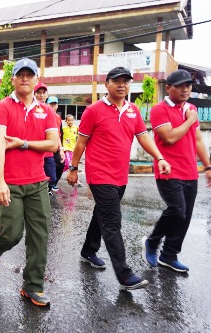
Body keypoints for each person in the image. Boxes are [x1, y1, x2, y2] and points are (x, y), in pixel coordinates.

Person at [66, 66, 170, 291]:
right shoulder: (93, 111)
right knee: (112, 221)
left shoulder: (133, 110)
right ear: (107, 84)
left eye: (126, 81)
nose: (122, 85)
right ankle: (124, 274)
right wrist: (73, 169)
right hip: (99, 174)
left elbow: (143, 138)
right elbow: (81, 143)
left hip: (120, 175)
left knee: (101, 214)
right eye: (117, 81)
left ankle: (88, 250)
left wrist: (159, 157)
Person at [0, 58, 59, 307]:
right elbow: (0, 145)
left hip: (38, 182)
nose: (25, 79)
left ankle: (32, 286)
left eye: (30, 75)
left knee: (40, 236)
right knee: (12, 235)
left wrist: (24, 143)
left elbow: (53, 145)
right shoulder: (2, 108)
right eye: (20, 75)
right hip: (11, 183)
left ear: (37, 80)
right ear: (13, 79)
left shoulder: (46, 111)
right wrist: (0, 182)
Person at [142, 69, 211, 273]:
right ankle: (152, 242)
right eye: (180, 86)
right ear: (168, 88)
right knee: (177, 209)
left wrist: (207, 167)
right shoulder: (159, 109)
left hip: (190, 171)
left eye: (188, 86)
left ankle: (169, 255)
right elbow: (169, 137)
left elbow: (198, 140)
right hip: (168, 169)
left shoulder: (191, 108)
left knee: (185, 216)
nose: (185, 89)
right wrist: (190, 120)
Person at [34, 83, 63, 194]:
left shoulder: (51, 113)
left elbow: (56, 133)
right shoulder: (31, 109)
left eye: (43, 93)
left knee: (52, 178)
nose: (41, 95)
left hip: (49, 152)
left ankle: (46, 190)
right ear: (34, 94)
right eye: (38, 93)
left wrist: (61, 149)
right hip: (35, 151)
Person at [47, 96, 65, 191]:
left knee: (61, 164)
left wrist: (61, 148)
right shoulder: (44, 115)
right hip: (46, 146)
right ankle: (48, 187)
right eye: (51, 104)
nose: (53, 106)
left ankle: (53, 184)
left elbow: (59, 133)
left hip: (56, 145)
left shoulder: (58, 117)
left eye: (55, 104)